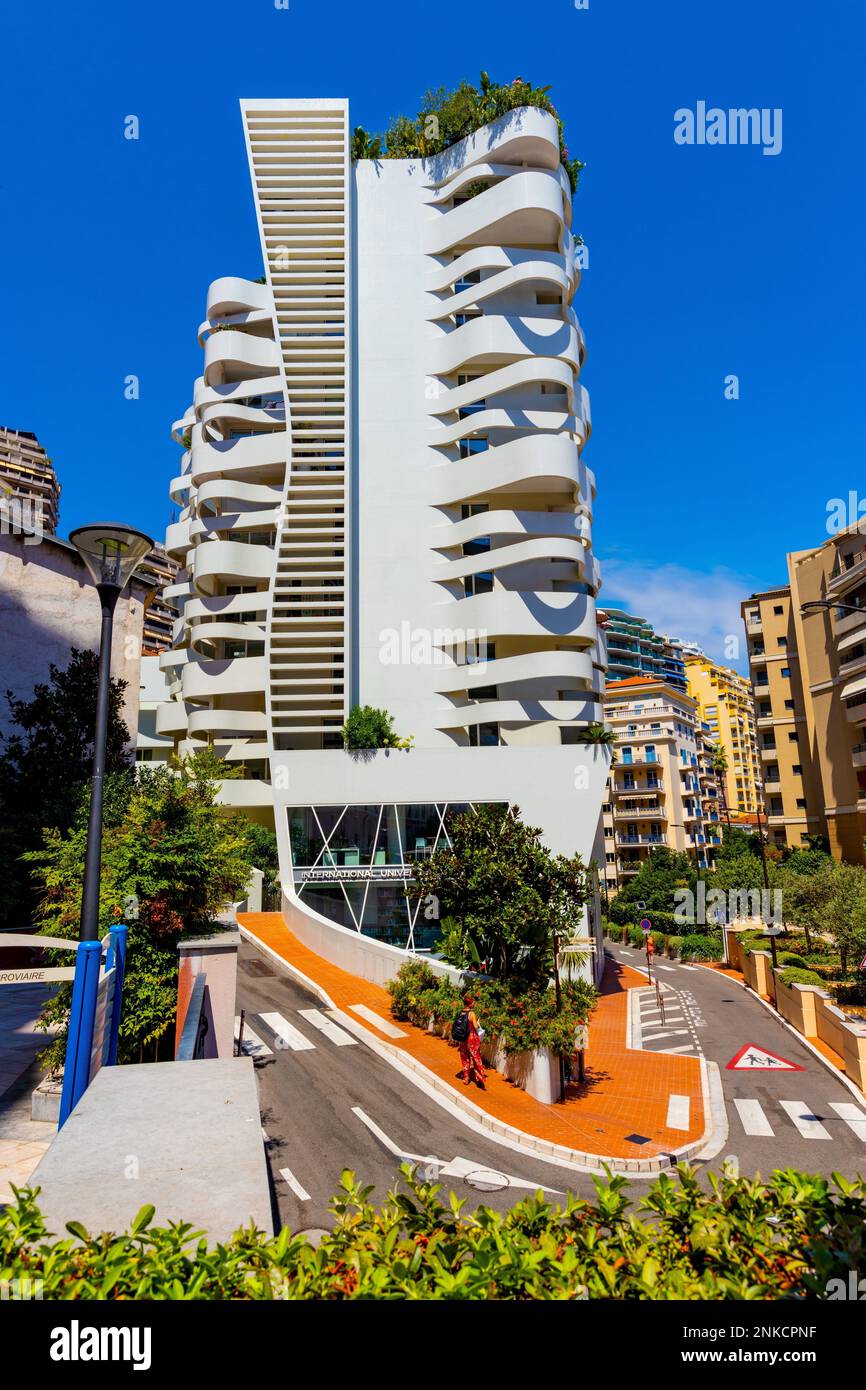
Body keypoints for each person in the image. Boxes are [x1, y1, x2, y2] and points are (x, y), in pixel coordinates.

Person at [456, 992, 486, 1089]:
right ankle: (479, 1078)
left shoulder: (461, 1012)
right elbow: (475, 1026)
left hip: (462, 1038)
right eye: (473, 1002)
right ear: (470, 1004)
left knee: (465, 1058)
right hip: (472, 1039)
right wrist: (477, 1022)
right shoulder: (472, 1013)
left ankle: (466, 1078)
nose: (474, 1004)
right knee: (476, 1058)